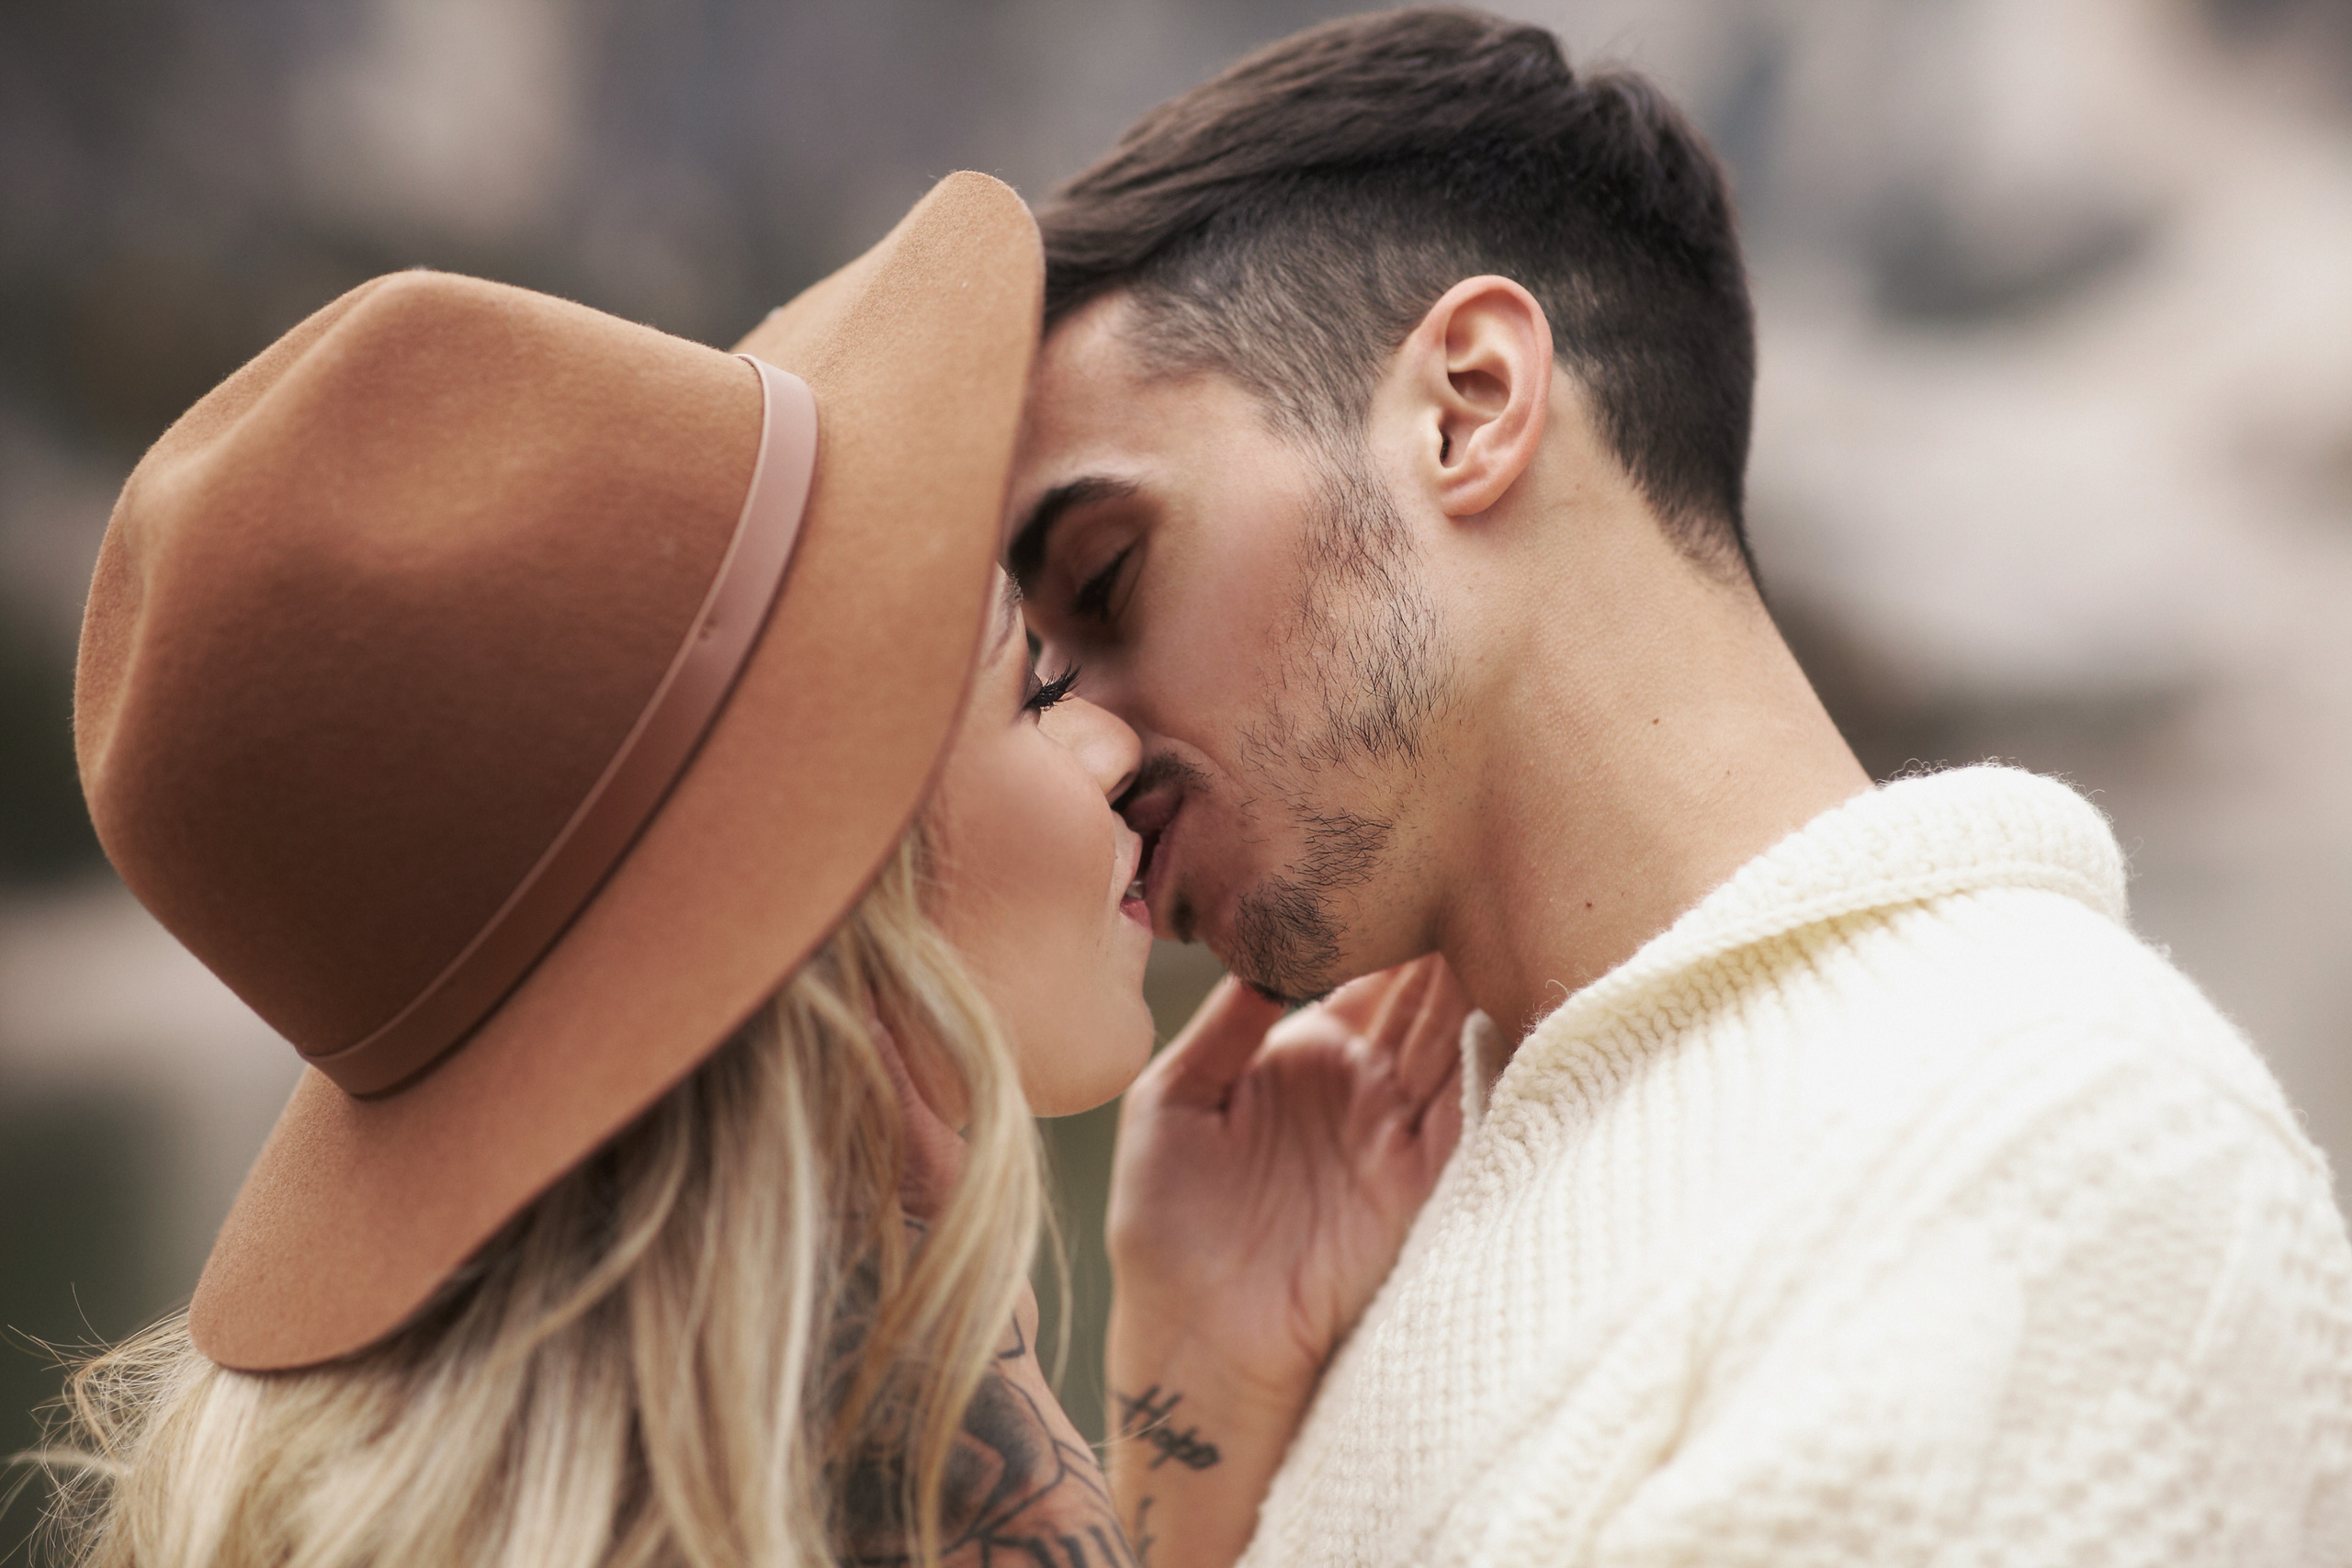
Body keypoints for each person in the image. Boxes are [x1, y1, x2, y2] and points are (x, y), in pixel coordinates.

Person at [1012, 11, 2352, 1566]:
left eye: (1108, 580)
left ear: (1468, 405)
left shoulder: (2049, 1167)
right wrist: (1208, 1426)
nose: (1085, 748)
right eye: (1038, 678)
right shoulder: (1421, 1228)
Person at [25, 172, 1466, 1568]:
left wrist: (1194, 1385)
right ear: (829, 888)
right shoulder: (898, 1460)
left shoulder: (546, 1466)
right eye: (1026, 682)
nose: (1113, 743)